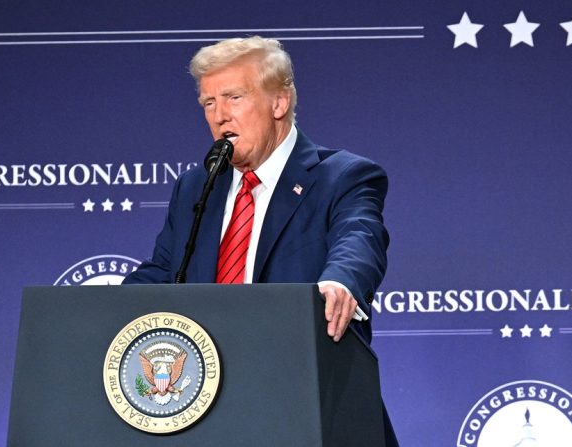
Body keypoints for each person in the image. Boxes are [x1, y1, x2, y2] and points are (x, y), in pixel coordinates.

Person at [123, 36, 396, 445]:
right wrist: (98, 313)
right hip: (208, 412)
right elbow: (164, 272)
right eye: (208, 103)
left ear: (278, 103)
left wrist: (341, 282)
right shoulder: (196, 187)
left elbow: (359, 236)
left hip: (309, 406)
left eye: (233, 97)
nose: (218, 116)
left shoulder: (341, 176)